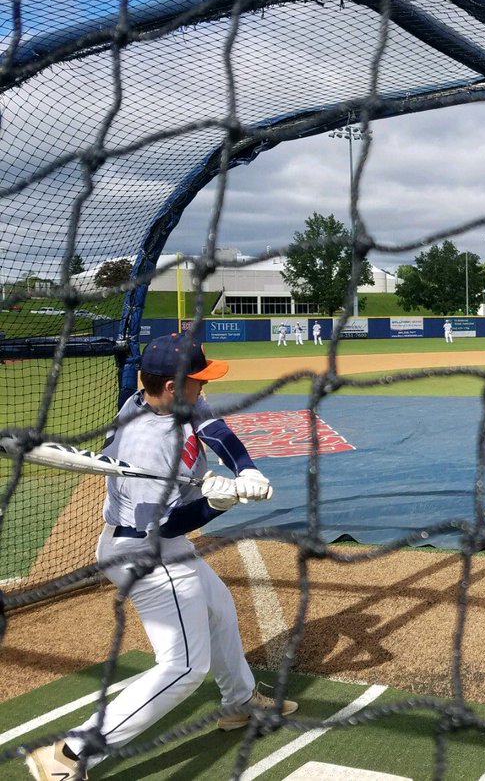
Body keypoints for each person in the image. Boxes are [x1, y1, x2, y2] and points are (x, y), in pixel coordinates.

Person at [24, 334, 296, 781]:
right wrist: (217, 504)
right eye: (196, 380)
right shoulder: (149, 445)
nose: (202, 388)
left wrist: (244, 469)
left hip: (159, 544)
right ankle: (69, 754)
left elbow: (215, 430)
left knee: (219, 608)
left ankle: (240, 703)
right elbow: (165, 525)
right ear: (171, 385)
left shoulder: (162, 400)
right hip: (145, 552)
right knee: (184, 666)